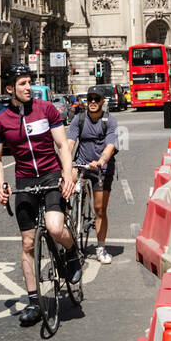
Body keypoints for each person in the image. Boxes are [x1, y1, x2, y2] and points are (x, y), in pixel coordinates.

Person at [0, 64, 81, 327]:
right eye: (22, 83)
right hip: (25, 179)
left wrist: (67, 175)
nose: (29, 87)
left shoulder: (46, 109)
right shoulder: (0, 121)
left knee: (54, 227)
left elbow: (62, 145)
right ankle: (34, 302)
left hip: (51, 174)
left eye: (29, 82)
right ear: (10, 89)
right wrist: (0, 185)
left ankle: (71, 251)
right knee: (28, 244)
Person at [67, 87, 118, 264]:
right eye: (90, 99)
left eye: (97, 99)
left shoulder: (109, 120)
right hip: (81, 164)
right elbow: (69, 144)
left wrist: (101, 162)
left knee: (99, 209)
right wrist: (66, 165)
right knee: (63, 188)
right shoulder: (78, 119)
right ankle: (66, 229)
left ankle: (101, 247)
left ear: (103, 101)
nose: (93, 102)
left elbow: (110, 145)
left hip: (101, 168)